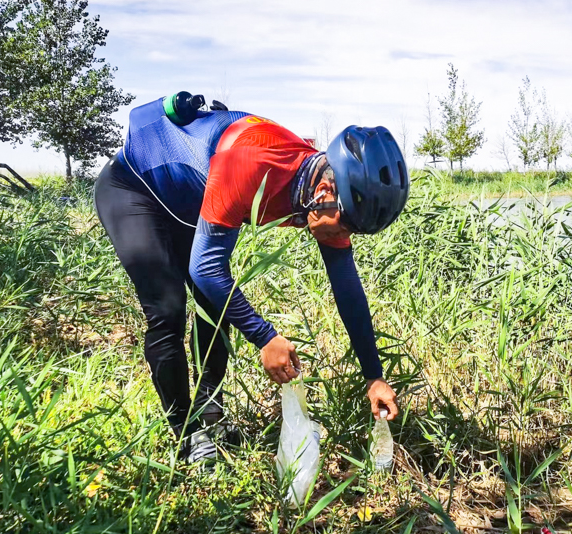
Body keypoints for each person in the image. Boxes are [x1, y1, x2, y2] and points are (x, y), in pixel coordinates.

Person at [94, 94, 409, 463]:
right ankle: (186, 434)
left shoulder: (320, 191)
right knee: (167, 308)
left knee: (213, 302)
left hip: (189, 201)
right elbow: (206, 269)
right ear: (325, 192)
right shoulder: (250, 164)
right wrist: (266, 337)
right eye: (349, 225)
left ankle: (209, 413)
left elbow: (347, 288)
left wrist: (374, 376)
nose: (346, 236)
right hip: (134, 191)